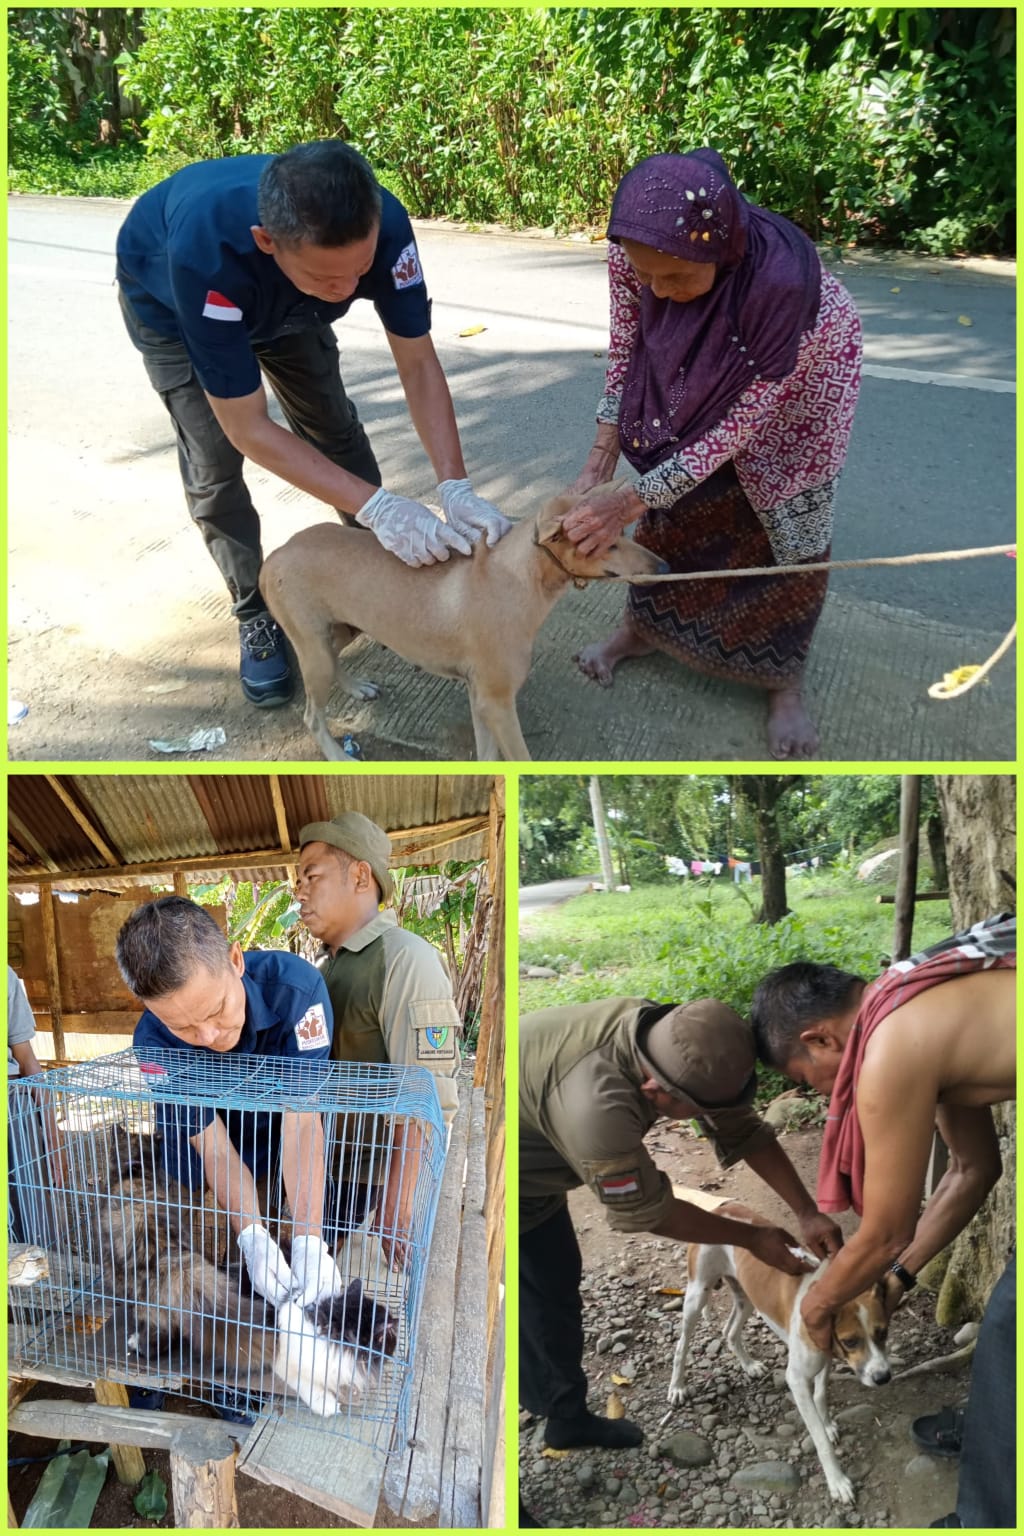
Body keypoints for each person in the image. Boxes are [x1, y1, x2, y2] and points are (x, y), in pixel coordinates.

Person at [116, 139, 510, 707]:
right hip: (177, 309)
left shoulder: (385, 225)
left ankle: (379, 580)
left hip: (289, 303)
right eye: (330, 279)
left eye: (360, 270)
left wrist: (455, 484)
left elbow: (418, 363)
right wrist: (381, 506)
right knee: (214, 464)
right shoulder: (209, 255)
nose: (348, 290)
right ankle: (254, 612)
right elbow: (248, 427)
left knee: (332, 427)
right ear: (267, 241)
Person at [565, 149, 862, 760]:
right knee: (675, 517)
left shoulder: (785, 294)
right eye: (646, 276)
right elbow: (627, 351)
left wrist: (624, 498)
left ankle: (782, 679)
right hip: (691, 376)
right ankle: (639, 632)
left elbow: (737, 428)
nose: (659, 292)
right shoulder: (641, 251)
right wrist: (601, 458)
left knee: (784, 538)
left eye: (676, 278)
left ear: (719, 255)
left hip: (799, 401)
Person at [750, 913, 1016, 1529]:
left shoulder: (886, 1050)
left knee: (1007, 1330)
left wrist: (819, 1309)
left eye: (803, 1082)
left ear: (820, 1040)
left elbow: (887, 1231)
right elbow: (971, 1171)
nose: (819, 1094)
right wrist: (893, 1279)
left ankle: (990, 1513)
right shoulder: (909, 991)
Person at [519, 995, 843, 1450]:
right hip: (504, 1175)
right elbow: (647, 1210)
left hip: (540, 1129)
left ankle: (562, 1412)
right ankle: (543, 1417)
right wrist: (751, 1238)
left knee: (555, 1286)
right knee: (538, 1297)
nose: (710, 1118)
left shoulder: (677, 1035)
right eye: (697, 1110)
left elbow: (741, 1127)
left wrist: (806, 1213)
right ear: (654, 1091)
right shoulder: (599, 1114)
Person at [116, 897, 341, 1316]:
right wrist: (252, 1238)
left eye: (217, 1009)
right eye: (181, 1026)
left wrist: (310, 1240)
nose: (207, 1035)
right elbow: (214, 1147)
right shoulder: (152, 1045)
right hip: (196, 1161)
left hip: (273, 1141)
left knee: (292, 1253)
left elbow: (303, 1125)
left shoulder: (298, 994)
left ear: (235, 959)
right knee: (201, 1269)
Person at [295, 812, 462, 1264]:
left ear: (360, 876)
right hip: (326, 1171)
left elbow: (426, 1094)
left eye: (312, 875)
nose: (300, 891)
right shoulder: (328, 968)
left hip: (371, 1187)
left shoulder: (405, 959)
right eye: (298, 881)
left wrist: (397, 1203)